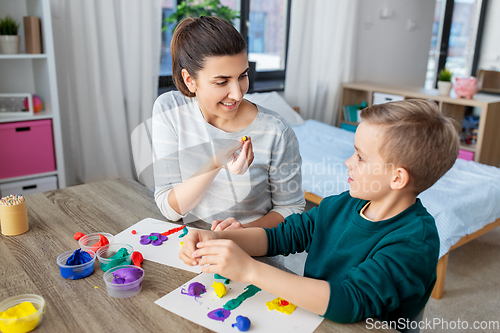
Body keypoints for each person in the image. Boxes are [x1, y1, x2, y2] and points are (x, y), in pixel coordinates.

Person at [179, 99, 459, 325]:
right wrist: (216, 239)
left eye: (360, 157)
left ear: (397, 179)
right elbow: (282, 236)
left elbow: (350, 302)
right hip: (315, 316)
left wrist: (250, 270)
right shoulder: (344, 203)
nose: (348, 162)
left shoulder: (414, 242)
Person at [151, 16, 305, 230]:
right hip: (187, 243)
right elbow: (169, 209)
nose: (237, 94)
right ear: (190, 80)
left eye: (243, 76)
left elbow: (291, 208)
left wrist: (240, 234)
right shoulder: (170, 110)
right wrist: (216, 163)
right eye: (222, 82)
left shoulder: (275, 131)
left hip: (252, 252)